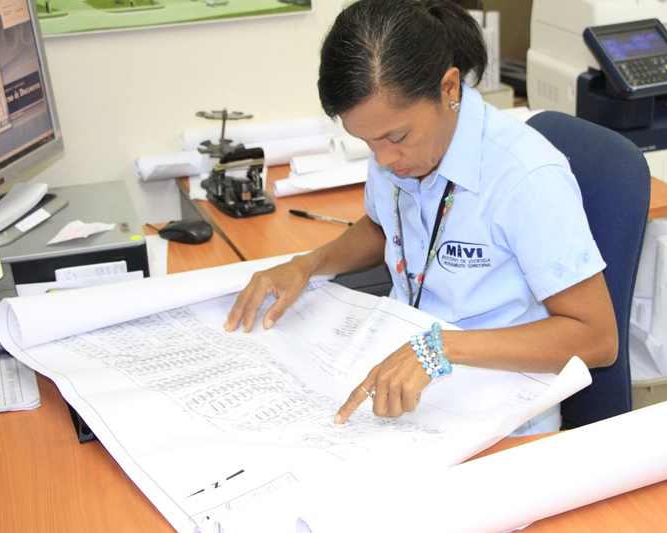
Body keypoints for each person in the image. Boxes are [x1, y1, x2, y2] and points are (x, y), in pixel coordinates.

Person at [224, 0, 618, 434]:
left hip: (498, 411)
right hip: (408, 377)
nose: (384, 159)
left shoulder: (525, 177)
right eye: (368, 142)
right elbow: (386, 228)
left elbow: (597, 338)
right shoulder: (397, 150)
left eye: (397, 136)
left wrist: (440, 349)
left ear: (448, 89)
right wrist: (309, 264)